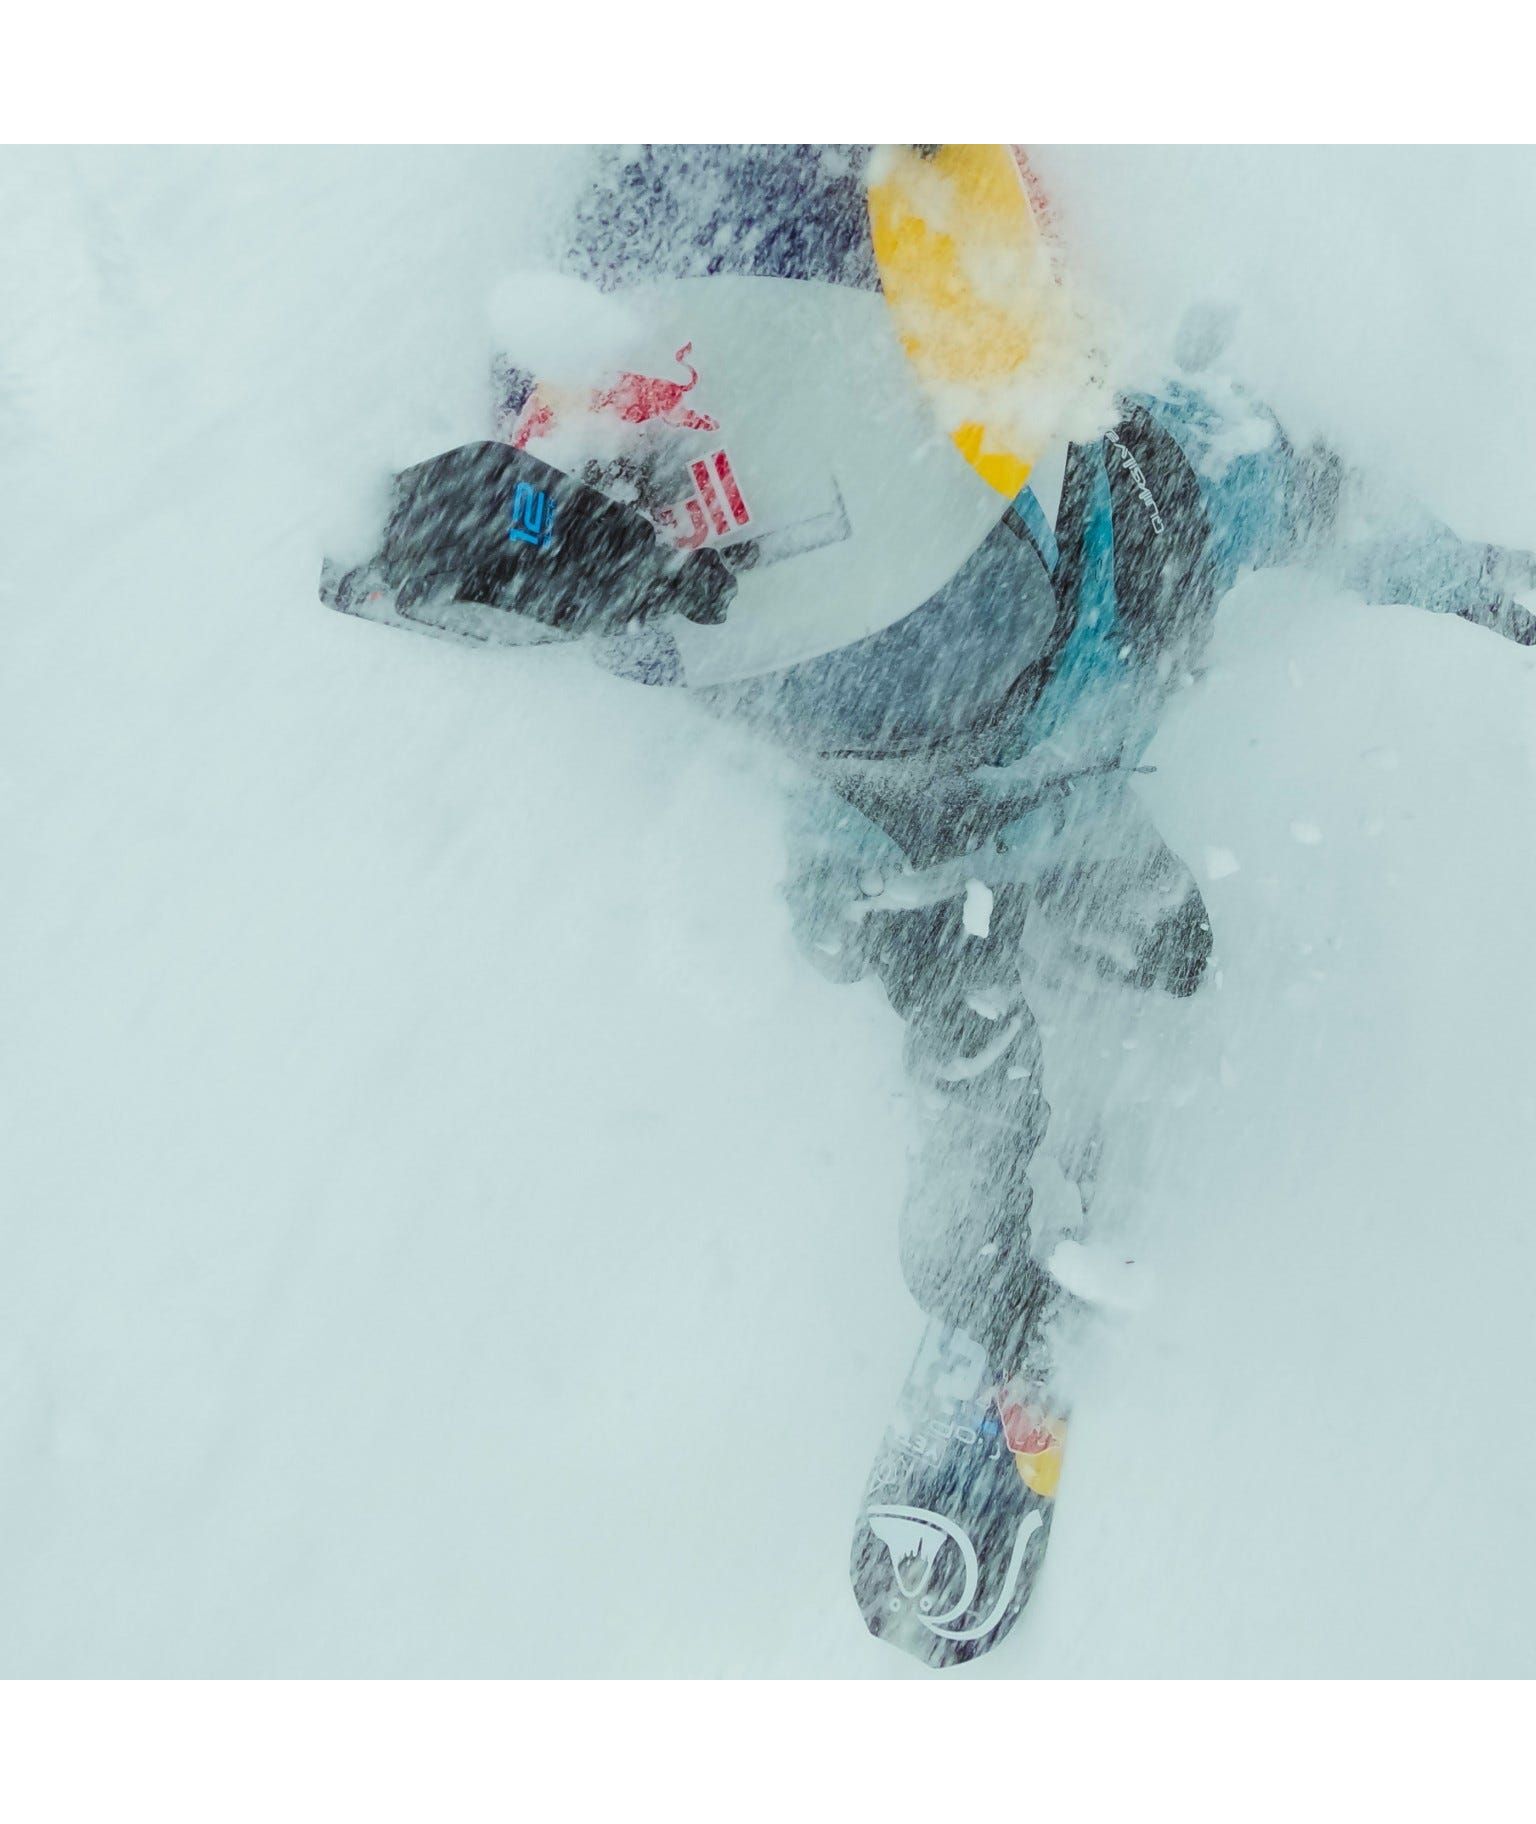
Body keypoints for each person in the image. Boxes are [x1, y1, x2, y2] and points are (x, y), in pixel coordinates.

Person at [322, 144, 1536, 1659]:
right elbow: (1252, 468)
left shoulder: (658, 233)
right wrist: (1458, 570)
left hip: (868, 703)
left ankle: (1019, 1073)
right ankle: (1047, 997)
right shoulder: (1075, 434)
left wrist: (513, 530)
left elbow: (442, 523)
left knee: (958, 892)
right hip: (971, 648)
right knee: (1168, 581)